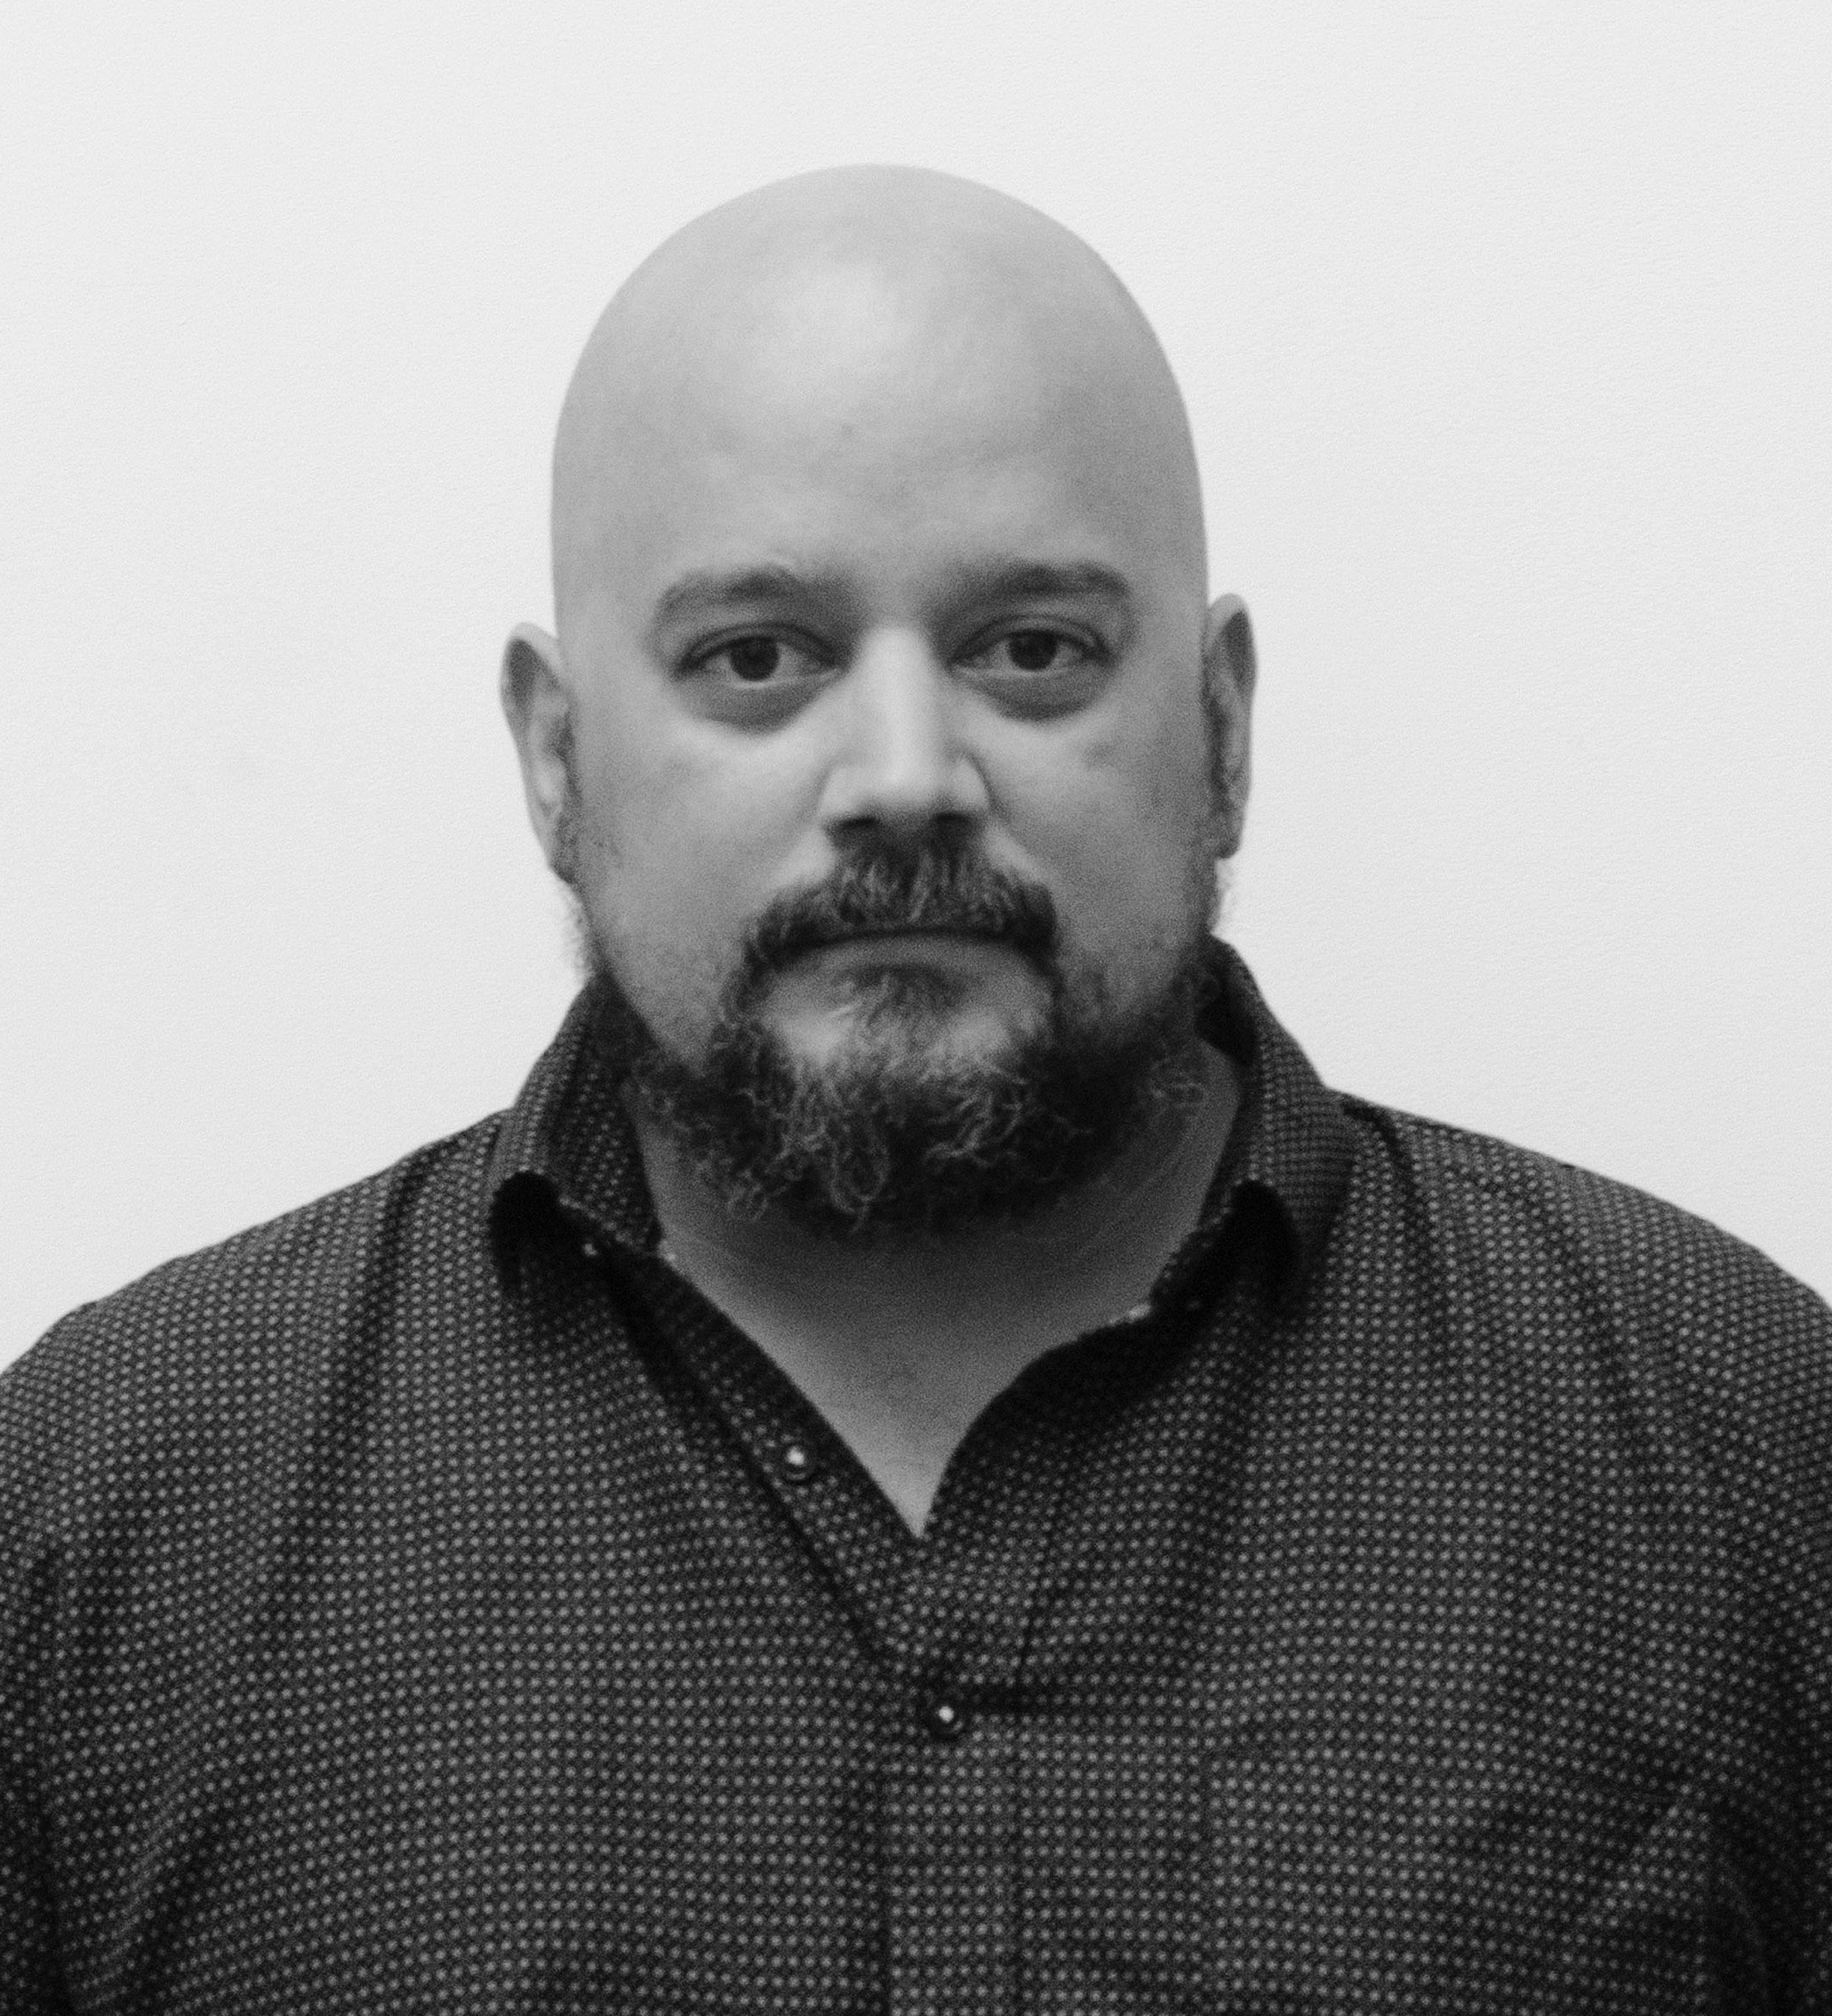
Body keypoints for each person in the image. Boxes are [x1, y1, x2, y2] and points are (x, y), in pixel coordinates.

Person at [2, 165, 1828, 2015]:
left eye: (1032, 650)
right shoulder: (102, 1519)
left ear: (1221, 728)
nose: (902, 775)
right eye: (756, 659)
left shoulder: (1745, 1452)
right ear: (558, 758)